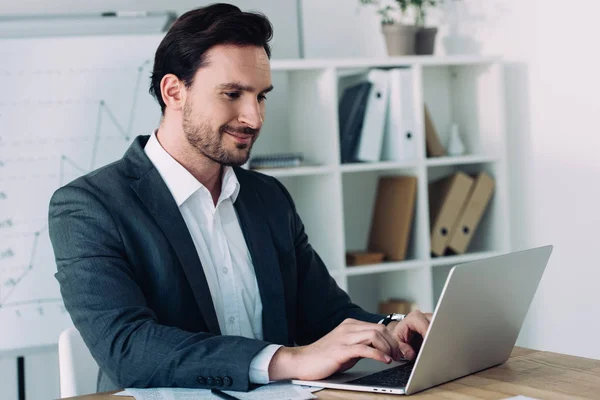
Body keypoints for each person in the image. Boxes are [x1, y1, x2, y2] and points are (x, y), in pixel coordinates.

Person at [48, 3, 432, 393]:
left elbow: (326, 314)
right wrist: (289, 359)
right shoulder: (89, 207)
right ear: (174, 91)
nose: (254, 117)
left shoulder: (267, 197)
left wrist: (393, 328)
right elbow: (127, 349)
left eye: (261, 96)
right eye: (232, 94)